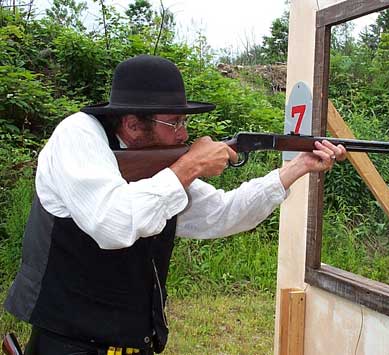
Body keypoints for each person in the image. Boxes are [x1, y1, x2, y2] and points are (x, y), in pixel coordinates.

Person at [3, 55, 346, 355]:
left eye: (185, 122)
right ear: (133, 125)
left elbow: (223, 214)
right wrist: (191, 166)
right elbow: (112, 225)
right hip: (69, 347)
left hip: (135, 343)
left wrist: (297, 168)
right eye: (175, 123)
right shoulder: (78, 136)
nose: (185, 134)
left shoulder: (159, 170)